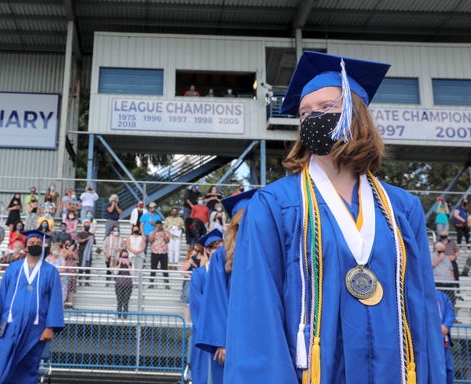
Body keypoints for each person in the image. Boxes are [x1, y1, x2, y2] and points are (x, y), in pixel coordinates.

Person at [225, 51, 445, 383]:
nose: (313, 118)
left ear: (356, 115)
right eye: (304, 113)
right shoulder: (274, 206)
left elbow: (422, 311)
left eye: (327, 108)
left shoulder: (402, 209)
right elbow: (256, 319)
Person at [195, 190, 256, 384]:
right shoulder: (222, 256)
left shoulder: (264, 250)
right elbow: (216, 298)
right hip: (232, 336)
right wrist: (221, 341)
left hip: (258, 332)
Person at [0, 230, 64, 384]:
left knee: (28, 366)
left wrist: (50, 327)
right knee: (5, 364)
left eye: (38, 243)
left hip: (36, 329)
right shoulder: (13, 269)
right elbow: (2, 296)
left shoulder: (51, 272)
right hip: (10, 325)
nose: (35, 245)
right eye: (31, 243)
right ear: (25, 247)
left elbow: (55, 301)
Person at [189, 229, 223, 384]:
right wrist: (213, 333)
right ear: (208, 251)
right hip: (205, 336)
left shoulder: (228, 273)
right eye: (216, 247)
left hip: (223, 338)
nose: (220, 251)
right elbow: (198, 306)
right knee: (204, 376)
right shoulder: (199, 274)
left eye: (222, 247)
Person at [436, 289, 455, 384]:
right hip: (427, 342)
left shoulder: (442, 297)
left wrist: (446, 326)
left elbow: (450, 314)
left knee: (448, 369)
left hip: (443, 341)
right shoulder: (419, 296)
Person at [148, 220, 170, 289]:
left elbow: (167, 241)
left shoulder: (165, 232)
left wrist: (163, 232)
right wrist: (155, 231)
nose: (159, 226)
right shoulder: (152, 232)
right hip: (155, 252)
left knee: (165, 268)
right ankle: (151, 283)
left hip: (163, 252)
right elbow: (150, 241)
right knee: (153, 268)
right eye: (157, 225)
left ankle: (166, 284)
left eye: (160, 225)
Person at [433, 241, 456, 306]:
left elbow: (451, 270)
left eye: (444, 249)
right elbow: (431, 265)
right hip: (438, 282)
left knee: (451, 301)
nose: (443, 251)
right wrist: (440, 258)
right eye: (441, 249)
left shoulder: (446, 258)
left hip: (448, 282)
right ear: (436, 248)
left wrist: (452, 279)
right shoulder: (431, 255)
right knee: (439, 302)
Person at [114, 249, 134, 318]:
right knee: (119, 301)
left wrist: (128, 265)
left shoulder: (131, 263)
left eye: (126, 257)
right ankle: (119, 316)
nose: (124, 258)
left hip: (128, 284)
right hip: (119, 284)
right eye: (123, 257)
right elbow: (115, 273)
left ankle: (125, 316)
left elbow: (132, 274)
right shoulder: (117, 263)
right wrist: (119, 263)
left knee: (126, 302)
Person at [77, 220, 95, 286]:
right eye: (86, 225)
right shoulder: (80, 234)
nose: (87, 226)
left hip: (89, 253)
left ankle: (87, 281)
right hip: (82, 252)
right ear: (83, 226)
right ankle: (80, 280)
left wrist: (93, 238)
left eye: (88, 225)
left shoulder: (91, 234)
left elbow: (94, 243)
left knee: (88, 266)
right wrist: (86, 239)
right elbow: (79, 240)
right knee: (81, 266)